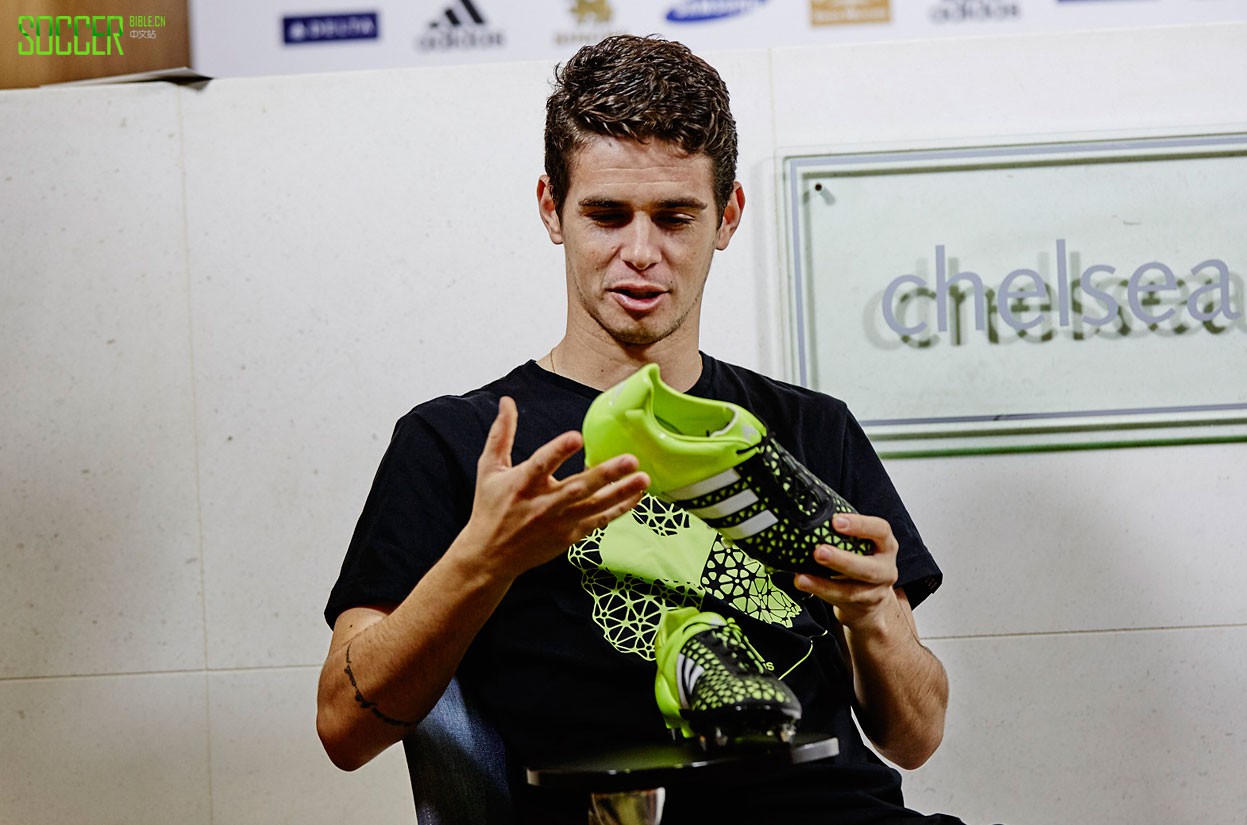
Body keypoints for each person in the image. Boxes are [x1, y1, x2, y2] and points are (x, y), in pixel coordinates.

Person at [317, 34, 962, 824]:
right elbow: (344, 726)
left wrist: (872, 614)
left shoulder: (810, 427)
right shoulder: (459, 441)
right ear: (552, 209)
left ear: (726, 216)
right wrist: (483, 562)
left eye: (674, 217)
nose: (641, 253)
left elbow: (915, 737)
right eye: (607, 215)